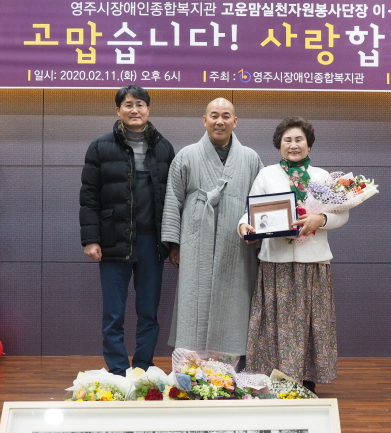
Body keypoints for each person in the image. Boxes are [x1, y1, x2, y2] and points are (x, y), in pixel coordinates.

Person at [238, 117, 349, 393]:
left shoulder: (323, 177)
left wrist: (321, 219)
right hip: (275, 262)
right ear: (279, 146)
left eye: (299, 139)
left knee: (311, 323)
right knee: (275, 323)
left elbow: (342, 215)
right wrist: (244, 226)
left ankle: (306, 377)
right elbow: (252, 211)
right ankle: (274, 376)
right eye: (287, 140)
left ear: (309, 145)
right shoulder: (267, 175)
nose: (293, 144)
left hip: (313, 262)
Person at [79, 84, 175, 376]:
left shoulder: (163, 147)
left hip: (151, 243)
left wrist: (172, 242)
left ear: (148, 109)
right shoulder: (100, 146)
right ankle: (119, 371)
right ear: (118, 110)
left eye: (140, 104)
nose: (135, 110)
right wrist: (91, 239)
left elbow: (173, 199)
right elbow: (89, 196)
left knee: (149, 311)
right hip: (113, 241)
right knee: (113, 313)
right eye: (128, 105)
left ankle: (143, 368)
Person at [162, 97, 263, 358]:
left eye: (226, 116)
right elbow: (173, 200)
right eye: (214, 115)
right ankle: (191, 366)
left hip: (236, 244)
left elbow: (260, 201)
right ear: (204, 120)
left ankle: (231, 366)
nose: (220, 121)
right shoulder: (186, 155)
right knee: (194, 298)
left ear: (235, 121)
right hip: (196, 240)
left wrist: (259, 240)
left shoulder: (250, 158)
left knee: (235, 299)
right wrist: (174, 244)